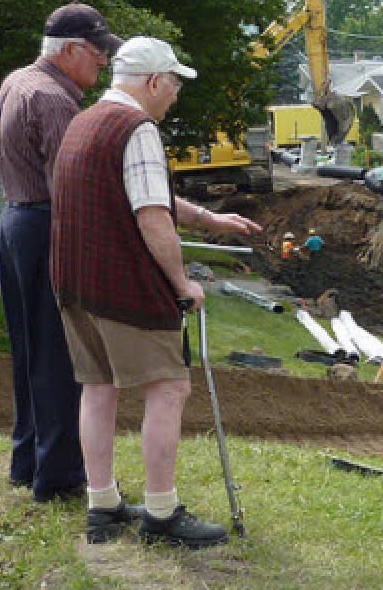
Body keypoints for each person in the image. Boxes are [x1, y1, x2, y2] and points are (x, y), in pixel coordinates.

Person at [49, 37, 262, 547]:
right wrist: (182, 284)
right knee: (169, 387)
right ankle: (162, 514)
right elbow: (151, 216)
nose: (174, 97)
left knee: (97, 387)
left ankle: (102, 504)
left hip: (73, 282)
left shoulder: (85, 122)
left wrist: (208, 218)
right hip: (120, 284)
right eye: (173, 86)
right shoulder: (137, 129)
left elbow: (145, 191)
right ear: (152, 82)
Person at [0, 3, 122, 502]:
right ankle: (60, 476)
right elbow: (73, 185)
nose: (103, 63)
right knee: (58, 357)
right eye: (97, 52)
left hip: (14, 221)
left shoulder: (15, 82)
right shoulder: (54, 100)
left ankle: (27, 463)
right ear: (68, 50)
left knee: (27, 353)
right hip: (46, 223)